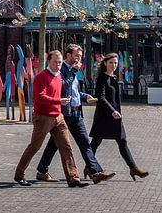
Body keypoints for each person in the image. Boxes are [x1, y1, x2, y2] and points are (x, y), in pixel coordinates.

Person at [36, 44, 112, 183]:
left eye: (80, 56)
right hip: (64, 113)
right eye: (76, 55)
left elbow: (73, 91)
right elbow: (62, 87)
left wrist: (85, 96)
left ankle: (95, 172)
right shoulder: (61, 69)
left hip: (76, 113)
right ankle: (42, 171)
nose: (79, 59)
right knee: (54, 144)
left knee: (84, 143)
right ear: (68, 55)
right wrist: (73, 72)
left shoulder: (73, 71)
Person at [14, 50, 87, 187]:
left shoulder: (59, 76)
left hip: (58, 116)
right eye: (55, 62)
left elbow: (69, 87)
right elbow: (40, 97)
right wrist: (58, 101)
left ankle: (73, 178)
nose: (58, 65)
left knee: (66, 146)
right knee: (34, 146)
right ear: (48, 61)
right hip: (43, 117)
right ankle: (19, 174)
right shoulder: (42, 76)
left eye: (60, 62)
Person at [89, 53, 149, 181]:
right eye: (111, 62)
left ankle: (133, 168)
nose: (113, 65)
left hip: (115, 116)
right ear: (105, 63)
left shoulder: (114, 77)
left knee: (122, 141)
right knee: (95, 142)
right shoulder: (102, 77)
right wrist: (112, 111)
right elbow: (101, 97)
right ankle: (90, 167)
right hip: (104, 115)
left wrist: (115, 112)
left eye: (115, 63)